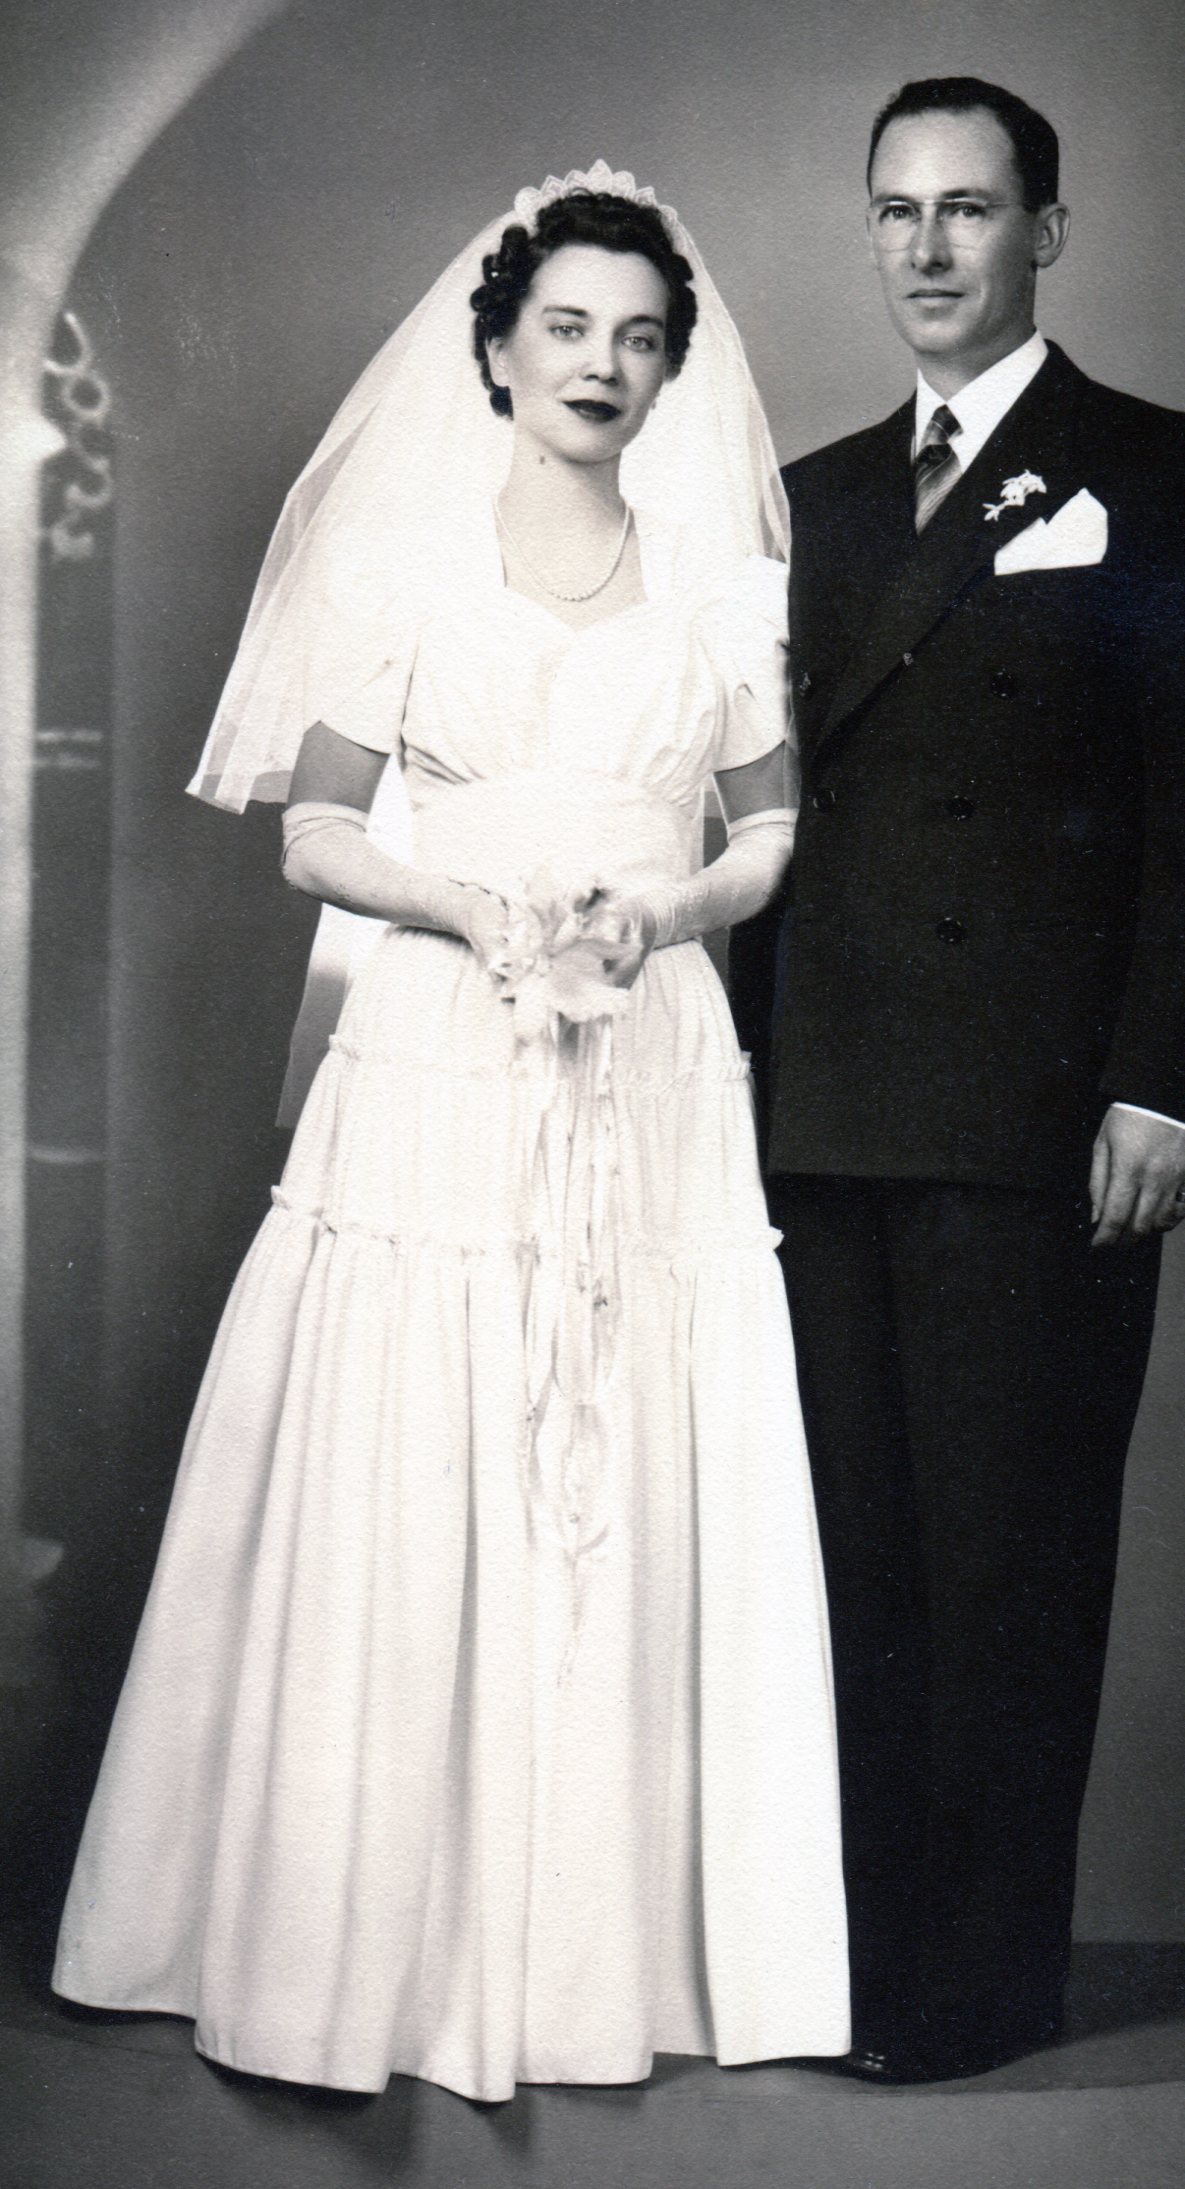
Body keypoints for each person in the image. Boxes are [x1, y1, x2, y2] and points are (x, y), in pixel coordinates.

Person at [52, 166, 849, 2102]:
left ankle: (607, 1944)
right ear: (494, 350)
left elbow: (764, 832)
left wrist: (660, 913)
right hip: (437, 1035)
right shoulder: (397, 568)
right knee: (427, 1412)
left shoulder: (725, 591)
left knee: (618, 1409)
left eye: (638, 338)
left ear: (671, 376)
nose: (602, 363)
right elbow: (315, 826)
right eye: (566, 327)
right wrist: (462, 908)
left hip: (647, 1052)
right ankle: (367, 1925)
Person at [733, 78, 1185, 2084]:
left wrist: (1157, 1087)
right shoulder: (812, 496)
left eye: (967, 211)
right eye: (895, 212)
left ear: (1046, 233)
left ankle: (979, 1986)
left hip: (1036, 1117)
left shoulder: (1154, 476)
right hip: (819, 1102)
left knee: (1006, 1554)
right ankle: (859, 1970)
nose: (924, 251)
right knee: (848, 1557)